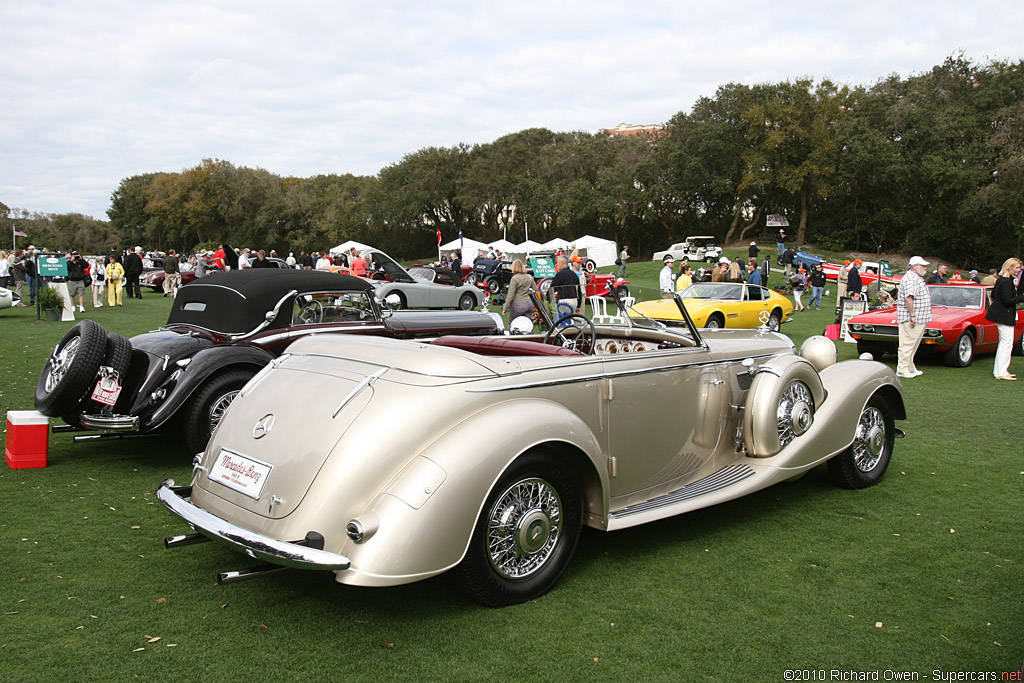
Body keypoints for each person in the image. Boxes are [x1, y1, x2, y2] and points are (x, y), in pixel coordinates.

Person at [986, 257, 1024, 380]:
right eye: (1017, 267)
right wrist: (1021, 297)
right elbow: (1008, 301)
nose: (1018, 270)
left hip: (1001, 314)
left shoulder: (1002, 280)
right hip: (1004, 315)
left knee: (1004, 343)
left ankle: (1000, 371)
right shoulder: (1006, 282)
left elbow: (994, 295)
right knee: (1006, 344)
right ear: (1010, 267)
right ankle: (1001, 372)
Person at [895, 256, 933, 378]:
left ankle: (910, 367)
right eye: (922, 265)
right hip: (912, 317)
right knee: (907, 343)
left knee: (913, 343)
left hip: (920, 317)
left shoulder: (916, 278)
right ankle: (902, 369)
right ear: (914, 266)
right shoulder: (911, 279)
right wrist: (912, 315)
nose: (925, 268)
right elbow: (909, 298)